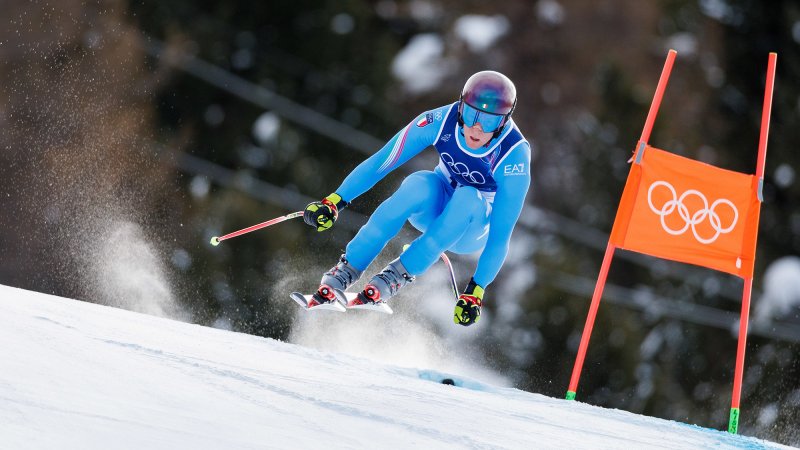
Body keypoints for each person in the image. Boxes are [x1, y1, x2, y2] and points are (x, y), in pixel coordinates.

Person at [302, 70, 531, 326]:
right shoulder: (440, 120)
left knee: (468, 196)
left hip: (470, 230)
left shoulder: (514, 155)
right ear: (460, 108)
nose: (476, 127)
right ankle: (348, 267)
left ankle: (397, 274)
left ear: (503, 122)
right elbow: (383, 161)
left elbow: (501, 236)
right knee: (418, 183)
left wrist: (476, 290)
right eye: (470, 114)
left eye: (488, 121)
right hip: (434, 209)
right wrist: (335, 200)